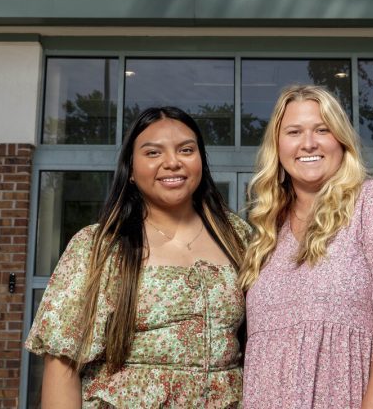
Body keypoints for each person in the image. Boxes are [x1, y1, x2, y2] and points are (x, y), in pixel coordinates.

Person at [26, 106, 251, 408]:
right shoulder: (99, 246)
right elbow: (62, 365)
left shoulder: (237, 235)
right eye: (153, 153)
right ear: (131, 170)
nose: (172, 162)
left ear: (201, 162)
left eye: (186, 150)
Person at [239, 85, 373, 408]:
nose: (308, 142)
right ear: (277, 147)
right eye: (294, 131)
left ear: (341, 140)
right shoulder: (269, 232)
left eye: (322, 130)